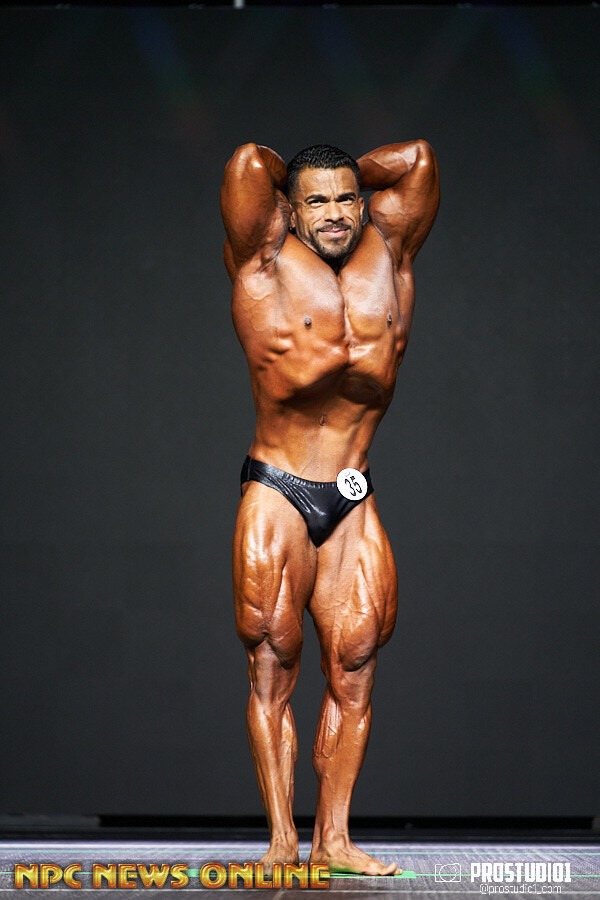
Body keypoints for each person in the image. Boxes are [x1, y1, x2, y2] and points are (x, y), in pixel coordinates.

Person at [220, 140, 439, 876]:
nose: (338, 212)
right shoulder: (262, 261)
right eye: (318, 201)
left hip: (351, 491)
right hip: (278, 488)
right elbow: (247, 164)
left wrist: (345, 172)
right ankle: (283, 841)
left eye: (348, 198)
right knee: (272, 662)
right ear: (289, 208)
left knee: (356, 663)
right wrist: (296, 183)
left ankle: (335, 840)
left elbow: (417, 161)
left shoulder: (391, 256)